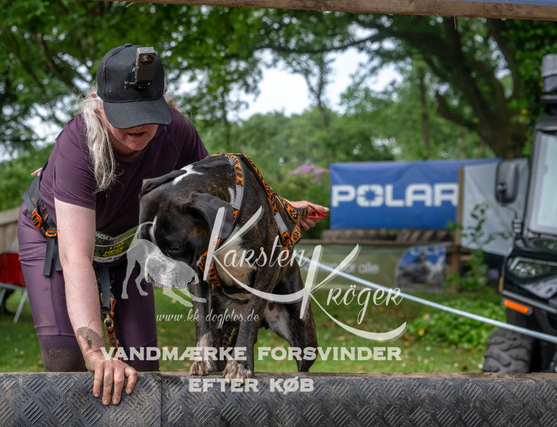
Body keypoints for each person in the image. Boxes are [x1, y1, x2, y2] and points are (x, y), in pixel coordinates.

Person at [17, 43, 327, 406]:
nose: (137, 126)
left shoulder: (177, 130)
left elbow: (216, 190)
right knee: (67, 362)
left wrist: (283, 208)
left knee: (143, 363)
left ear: (164, 99)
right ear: (98, 104)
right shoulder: (77, 145)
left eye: (147, 113)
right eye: (124, 115)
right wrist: (96, 354)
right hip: (56, 241)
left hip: (126, 247)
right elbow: (77, 259)